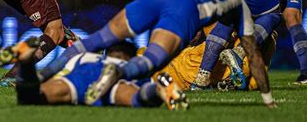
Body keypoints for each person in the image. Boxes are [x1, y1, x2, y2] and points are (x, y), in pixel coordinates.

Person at [0, 0, 277, 108]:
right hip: (183, 10)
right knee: (150, 62)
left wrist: (140, 11)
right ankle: (119, 71)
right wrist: (267, 98)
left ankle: (44, 72)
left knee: (97, 39)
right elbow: (252, 52)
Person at [12, 39, 188, 110]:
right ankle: (158, 90)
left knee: (30, 96)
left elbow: (53, 69)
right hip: (118, 73)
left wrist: (38, 77)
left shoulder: (85, 55)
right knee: (134, 97)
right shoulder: (134, 65)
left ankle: (26, 62)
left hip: (85, 69)